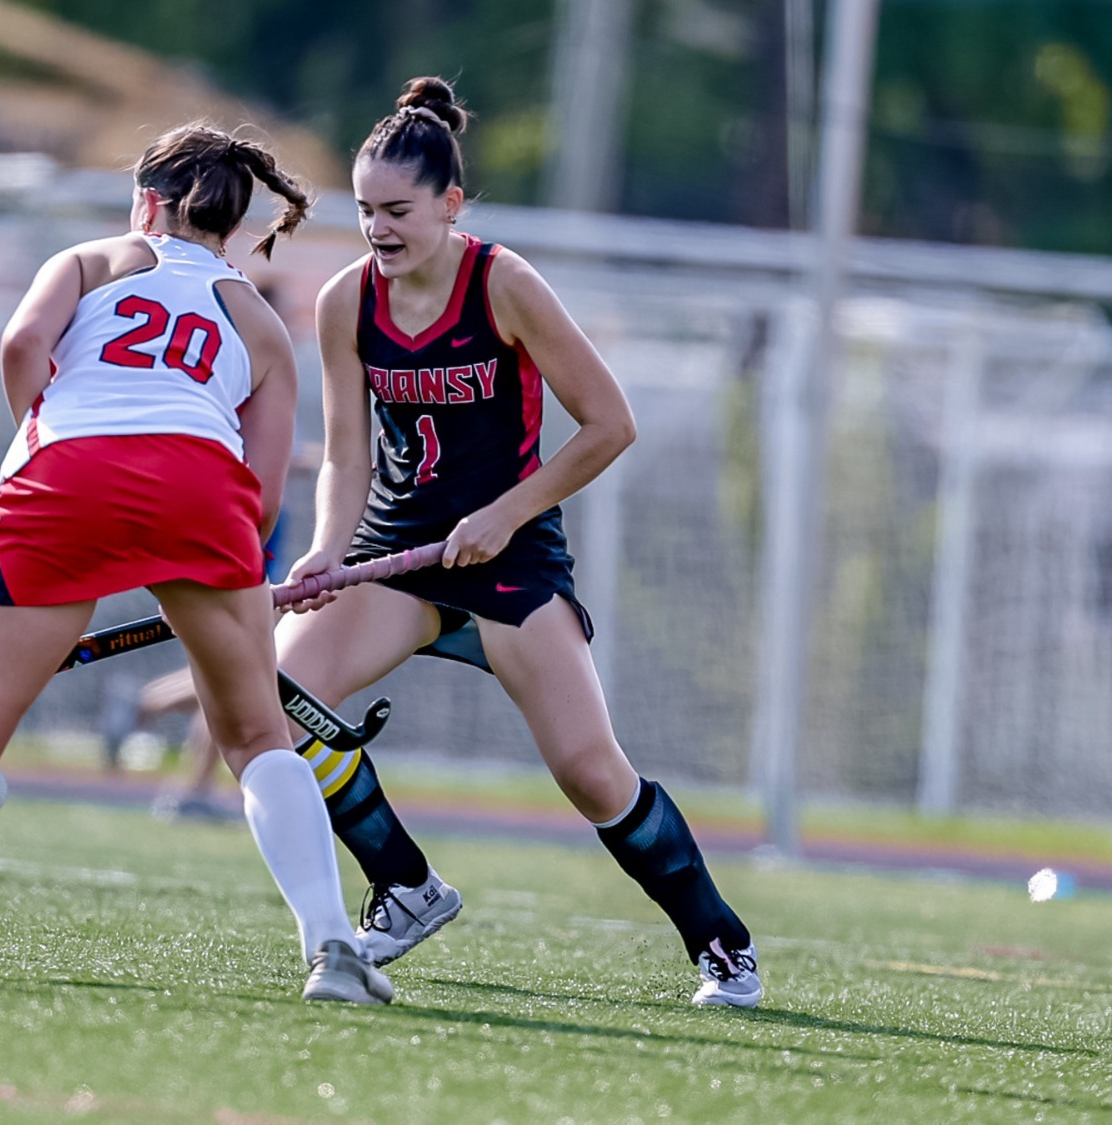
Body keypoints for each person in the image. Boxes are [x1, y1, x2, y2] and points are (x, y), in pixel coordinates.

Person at [0, 124, 392, 1006]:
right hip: (202, 489)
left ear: (147, 199)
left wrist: (45, 435)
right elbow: (260, 488)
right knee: (257, 739)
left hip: (68, 471)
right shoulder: (256, 315)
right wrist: (237, 574)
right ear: (234, 224)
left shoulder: (88, 260)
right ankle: (333, 945)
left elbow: (21, 349)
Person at [275, 78, 763, 1007]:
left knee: (590, 773)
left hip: (509, 558)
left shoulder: (502, 283)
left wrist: (506, 511)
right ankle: (407, 885)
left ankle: (720, 940)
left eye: (399, 211)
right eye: (366, 209)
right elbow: (345, 454)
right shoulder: (345, 302)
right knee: (275, 703)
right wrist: (327, 552)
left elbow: (609, 423)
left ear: (450, 204)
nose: (378, 229)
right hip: (399, 551)